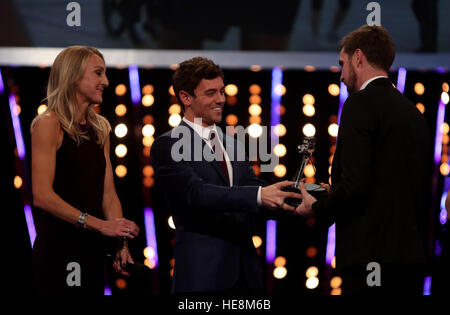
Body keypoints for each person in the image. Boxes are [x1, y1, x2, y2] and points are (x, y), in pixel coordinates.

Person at [296, 25, 431, 295]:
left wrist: (317, 207)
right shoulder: (413, 113)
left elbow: (356, 184)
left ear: (358, 57)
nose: (342, 76)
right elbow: (388, 183)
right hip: (410, 263)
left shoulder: (359, 103)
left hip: (370, 259)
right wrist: (336, 192)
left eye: (343, 64)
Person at [150, 57, 299, 294]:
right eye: (210, 93)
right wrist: (260, 195)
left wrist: (295, 199)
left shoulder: (233, 143)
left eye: (221, 91)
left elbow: (249, 187)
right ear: (186, 98)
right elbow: (197, 193)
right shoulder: (167, 145)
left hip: (246, 274)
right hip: (202, 275)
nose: (220, 99)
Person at [31, 46, 140, 295]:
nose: (106, 81)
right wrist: (100, 225)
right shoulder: (48, 124)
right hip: (58, 250)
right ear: (74, 75)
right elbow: (42, 195)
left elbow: (108, 195)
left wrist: (120, 240)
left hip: (91, 250)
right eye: (98, 73)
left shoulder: (101, 127)